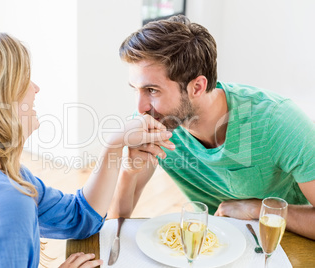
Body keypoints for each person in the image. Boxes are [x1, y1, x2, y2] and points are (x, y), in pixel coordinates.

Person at [0, 31, 174, 267]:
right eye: (24, 79)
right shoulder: (3, 205)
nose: (35, 88)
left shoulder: (11, 178)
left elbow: (80, 218)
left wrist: (114, 145)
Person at [108, 14, 315, 240]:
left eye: (152, 91)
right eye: (135, 89)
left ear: (197, 87)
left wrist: (258, 209)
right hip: (211, 243)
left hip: (282, 241)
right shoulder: (157, 123)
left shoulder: (278, 122)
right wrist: (128, 170)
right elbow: (116, 225)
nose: (140, 108)